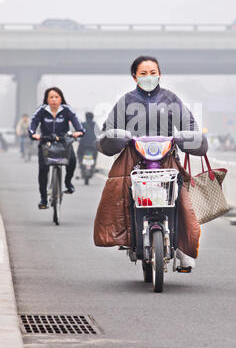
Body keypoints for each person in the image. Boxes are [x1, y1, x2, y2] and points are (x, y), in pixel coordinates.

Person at [95, 56, 208, 272]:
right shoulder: (125, 101)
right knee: (118, 193)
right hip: (133, 159)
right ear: (134, 76)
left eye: (153, 72)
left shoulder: (171, 99)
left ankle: (183, 250)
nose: (149, 77)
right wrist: (114, 136)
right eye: (144, 73)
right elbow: (106, 132)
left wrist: (188, 136)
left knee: (181, 200)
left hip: (166, 159)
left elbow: (191, 125)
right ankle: (126, 235)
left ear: (160, 74)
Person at [28, 87, 84, 209]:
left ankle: (67, 182)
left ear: (61, 98)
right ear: (47, 99)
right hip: (46, 143)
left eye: (56, 97)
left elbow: (76, 122)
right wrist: (33, 133)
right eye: (51, 97)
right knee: (43, 170)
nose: (54, 100)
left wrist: (79, 131)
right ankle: (43, 199)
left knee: (72, 161)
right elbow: (33, 123)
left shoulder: (67, 110)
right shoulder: (42, 110)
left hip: (63, 142)